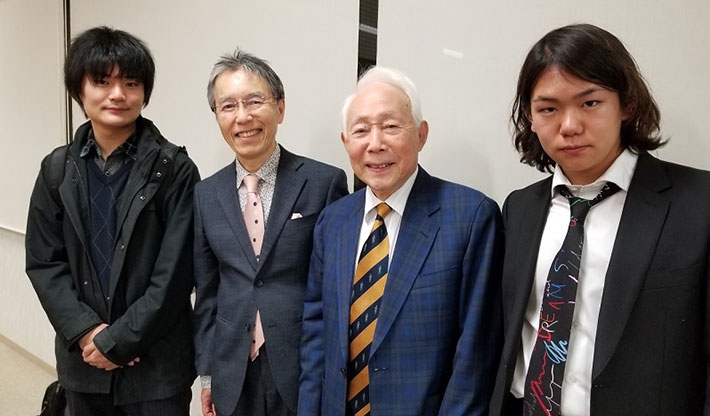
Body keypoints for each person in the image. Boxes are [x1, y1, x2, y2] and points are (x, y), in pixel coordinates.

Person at [490, 23, 710, 416]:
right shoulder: (519, 209)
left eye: (589, 103)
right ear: (531, 117)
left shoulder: (698, 202)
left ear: (626, 104)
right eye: (548, 109)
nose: (569, 125)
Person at [298, 66, 504, 416]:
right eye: (361, 130)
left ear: (421, 134)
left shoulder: (471, 217)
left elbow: (476, 357)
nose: (375, 143)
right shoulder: (332, 222)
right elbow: (316, 336)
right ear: (346, 142)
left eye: (391, 126)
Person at [25, 26, 199, 415]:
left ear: (144, 93)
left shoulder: (174, 169)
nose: (117, 94)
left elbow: (175, 274)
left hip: (157, 369)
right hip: (84, 363)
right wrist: (90, 334)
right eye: (102, 81)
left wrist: (120, 340)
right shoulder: (56, 169)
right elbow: (44, 262)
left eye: (131, 82)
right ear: (79, 91)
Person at [192, 49, 348, 416]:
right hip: (232, 369)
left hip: (301, 367)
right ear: (216, 116)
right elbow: (208, 291)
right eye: (227, 106)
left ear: (280, 107)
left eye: (254, 101)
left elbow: (337, 289)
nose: (242, 116)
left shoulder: (324, 182)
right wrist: (208, 376)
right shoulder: (205, 194)